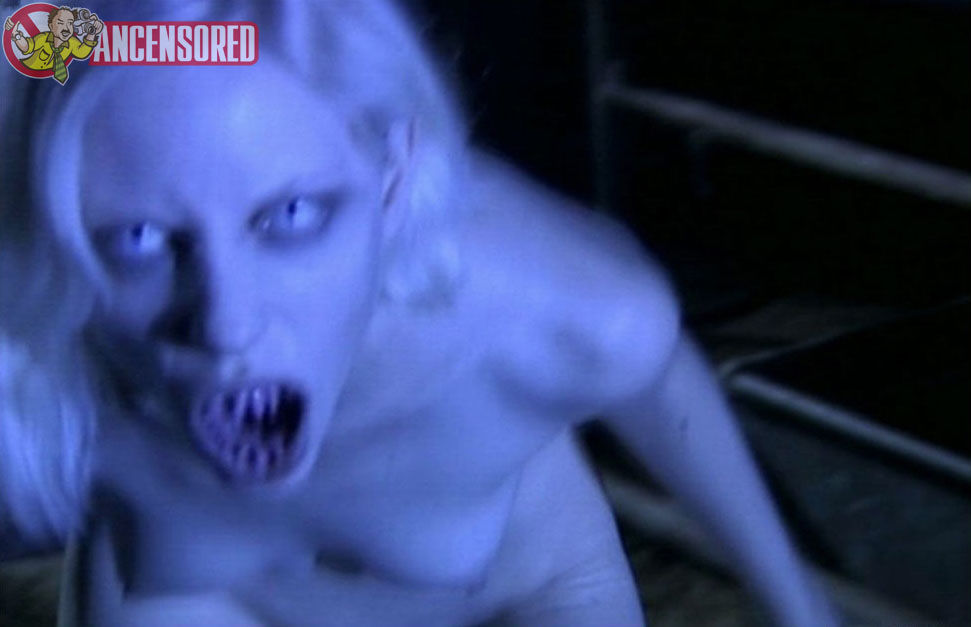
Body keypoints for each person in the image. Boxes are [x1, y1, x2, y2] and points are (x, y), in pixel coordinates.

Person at [0, 1, 838, 625]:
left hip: (527, 594)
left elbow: (658, 381)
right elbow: (40, 40)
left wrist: (799, 609)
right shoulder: (47, 314)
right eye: (141, 238)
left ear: (393, 179)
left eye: (291, 215)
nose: (227, 324)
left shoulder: (538, 298)